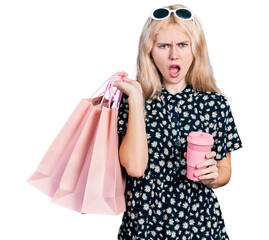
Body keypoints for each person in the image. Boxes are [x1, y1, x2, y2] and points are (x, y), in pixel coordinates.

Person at [113, 3, 242, 240]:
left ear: (196, 49)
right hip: (144, 225)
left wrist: (213, 176)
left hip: (199, 225)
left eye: (183, 44)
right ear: (149, 50)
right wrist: (136, 99)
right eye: (164, 46)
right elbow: (134, 167)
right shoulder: (132, 99)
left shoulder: (215, 104)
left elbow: (225, 170)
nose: (174, 54)